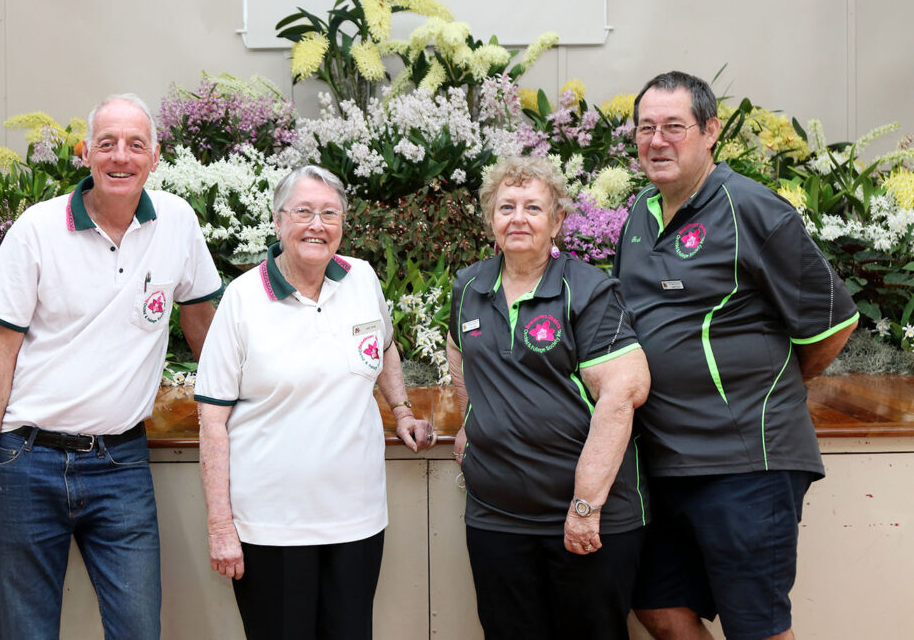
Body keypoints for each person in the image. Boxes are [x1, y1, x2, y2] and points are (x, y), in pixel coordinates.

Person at [0, 93, 222, 639]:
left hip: (121, 464)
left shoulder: (178, 223)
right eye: (107, 144)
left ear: (155, 156)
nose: (121, 157)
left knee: (139, 629)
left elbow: (204, 331)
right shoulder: (37, 228)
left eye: (135, 145)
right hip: (27, 462)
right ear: (86, 154)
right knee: (26, 632)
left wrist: (239, 413)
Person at [614, 71, 858, 640]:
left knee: (758, 627)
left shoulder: (752, 209)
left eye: (674, 126)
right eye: (646, 128)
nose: (657, 140)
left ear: (710, 132)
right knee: (658, 606)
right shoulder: (638, 215)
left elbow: (834, 324)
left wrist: (770, 386)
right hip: (665, 461)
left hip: (747, 463)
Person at [195, 164, 435, 640]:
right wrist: (221, 524)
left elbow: (383, 345)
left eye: (330, 213)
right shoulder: (242, 300)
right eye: (303, 212)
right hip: (272, 529)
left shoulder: (362, 278)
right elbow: (212, 420)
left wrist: (401, 410)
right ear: (277, 220)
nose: (317, 225)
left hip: (357, 521)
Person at [447, 156, 652, 640]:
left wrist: (584, 506)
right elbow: (459, 350)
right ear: (490, 219)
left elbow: (622, 394)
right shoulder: (469, 287)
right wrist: (468, 420)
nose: (518, 218)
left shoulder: (588, 291)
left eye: (533, 207)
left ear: (558, 220)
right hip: (496, 516)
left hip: (583, 515)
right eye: (506, 207)